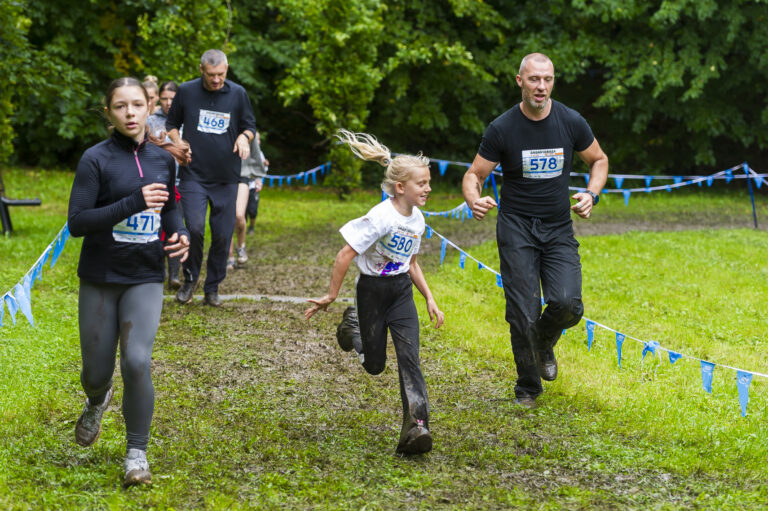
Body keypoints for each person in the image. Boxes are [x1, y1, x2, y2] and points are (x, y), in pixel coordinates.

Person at [462, 52, 609, 408]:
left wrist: (591, 193)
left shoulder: (571, 121)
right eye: (533, 80)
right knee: (522, 312)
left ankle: (543, 341)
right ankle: (527, 387)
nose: (541, 86)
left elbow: (599, 160)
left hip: (558, 227)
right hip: (517, 229)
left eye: (547, 80)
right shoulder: (503, 128)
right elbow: (473, 175)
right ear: (520, 81)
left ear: (553, 82)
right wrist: (473, 199)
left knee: (569, 304)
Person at [67, 77, 190, 487]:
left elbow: (170, 207)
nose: (131, 113)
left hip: (144, 276)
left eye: (137, 104)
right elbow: (78, 223)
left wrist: (180, 234)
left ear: (149, 104)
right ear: (109, 112)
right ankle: (97, 399)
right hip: (101, 277)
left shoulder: (163, 160)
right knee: (95, 372)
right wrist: (131, 203)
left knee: (137, 361)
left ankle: (136, 454)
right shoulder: (95, 160)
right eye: (121, 106)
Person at [305, 129, 445, 455]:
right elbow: (345, 254)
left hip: (400, 294)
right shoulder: (380, 217)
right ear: (400, 187)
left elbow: (410, 262)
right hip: (370, 292)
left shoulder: (418, 220)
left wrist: (429, 298)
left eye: (427, 182)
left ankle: (417, 427)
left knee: (411, 359)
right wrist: (330, 295)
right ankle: (352, 324)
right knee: (374, 365)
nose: (428, 188)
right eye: (421, 183)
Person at [166, 49, 257, 307]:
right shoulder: (186, 91)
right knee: (193, 228)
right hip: (193, 174)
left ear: (226, 70)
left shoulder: (238, 93)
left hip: (226, 178)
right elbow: (171, 124)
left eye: (220, 74)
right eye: (210, 75)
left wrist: (243, 137)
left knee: (222, 234)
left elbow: (249, 126)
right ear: (201, 69)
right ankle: (189, 279)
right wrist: (178, 141)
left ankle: (213, 286)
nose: (216, 80)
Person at [147, 81, 185, 289]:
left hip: (180, 185)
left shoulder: (185, 121)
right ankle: (158, 271)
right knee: (156, 228)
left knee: (175, 228)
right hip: (154, 183)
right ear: (159, 99)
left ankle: (175, 275)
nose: (169, 103)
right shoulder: (150, 121)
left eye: (173, 98)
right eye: (165, 99)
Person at [227, 132, 268, 269]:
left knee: (239, 215)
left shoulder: (247, 128)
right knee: (227, 217)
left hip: (242, 175)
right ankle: (230, 256)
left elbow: (256, 153)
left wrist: (258, 177)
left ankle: (241, 246)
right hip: (222, 176)